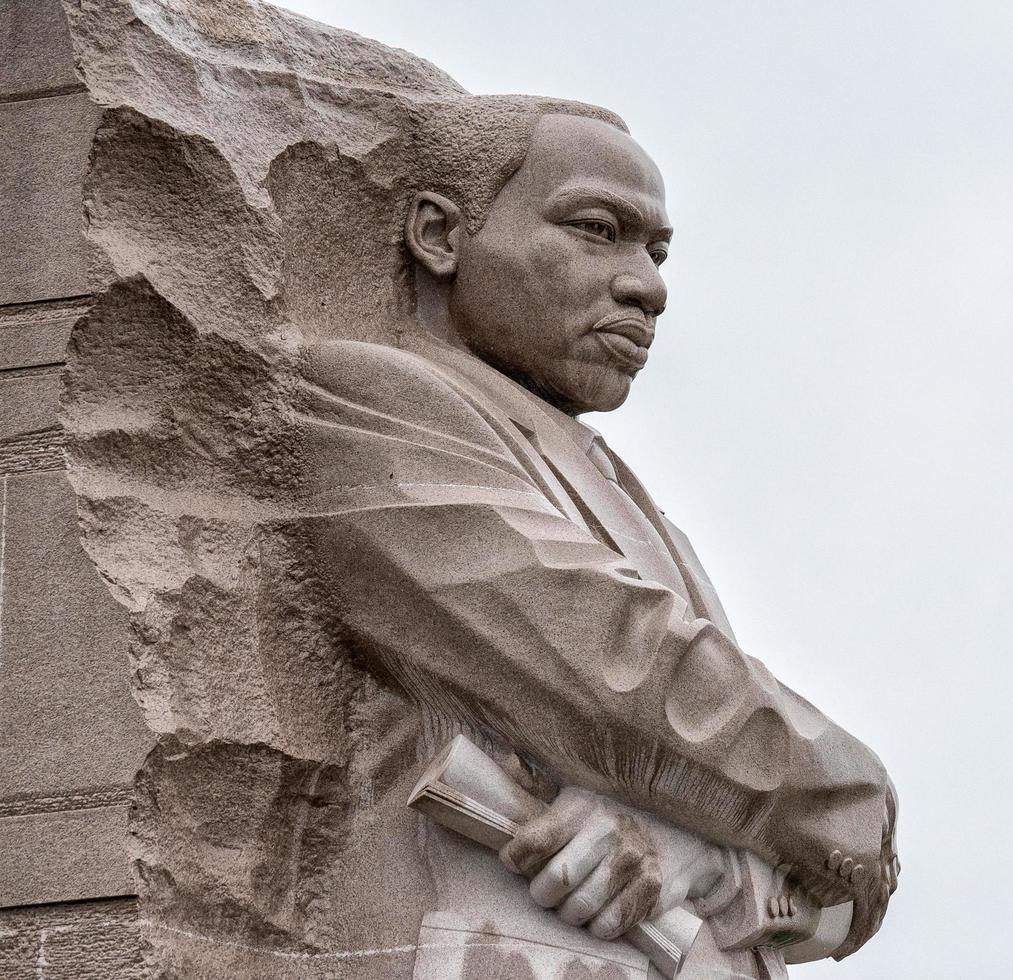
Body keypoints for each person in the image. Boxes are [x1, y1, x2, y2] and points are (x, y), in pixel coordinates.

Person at [292, 97, 898, 979]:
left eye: (654, 251)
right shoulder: (369, 397)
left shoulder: (632, 499)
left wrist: (712, 858)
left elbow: (835, 911)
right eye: (596, 229)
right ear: (438, 236)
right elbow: (621, 671)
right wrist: (854, 796)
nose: (646, 285)